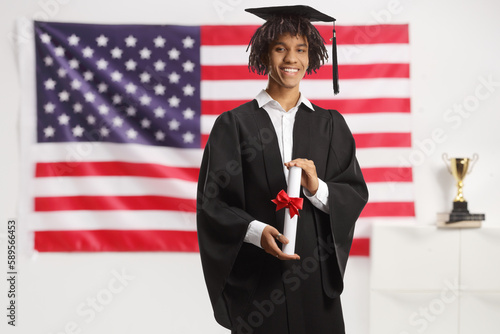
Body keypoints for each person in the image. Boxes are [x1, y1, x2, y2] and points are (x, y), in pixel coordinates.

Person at [197, 5, 368, 334]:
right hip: (259, 280)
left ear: (312, 56)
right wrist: (256, 231)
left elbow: (354, 193)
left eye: (300, 49)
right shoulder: (234, 125)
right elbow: (212, 203)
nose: (292, 59)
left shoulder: (330, 125)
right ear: (264, 54)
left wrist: (317, 188)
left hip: (314, 277)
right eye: (281, 48)